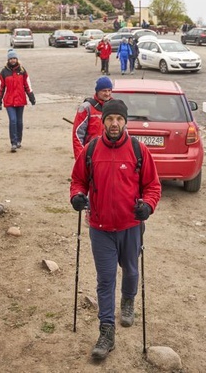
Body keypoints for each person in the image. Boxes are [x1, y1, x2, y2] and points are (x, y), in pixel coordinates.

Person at [70, 99, 161, 360]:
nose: (114, 123)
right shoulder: (91, 150)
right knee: (105, 279)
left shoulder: (138, 150)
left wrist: (148, 206)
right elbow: (78, 180)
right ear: (103, 121)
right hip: (100, 228)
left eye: (119, 119)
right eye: (110, 119)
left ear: (125, 122)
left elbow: (153, 186)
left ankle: (129, 300)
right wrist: (77, 196)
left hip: (131, 226)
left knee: (131, 271)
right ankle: (106, 331)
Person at [0, 49, 36, 152]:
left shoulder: (22, 71)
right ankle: (13, 142)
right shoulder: (4, 72)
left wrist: (31, 97)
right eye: (11, 58)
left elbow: (27, 85)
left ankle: (19, 140)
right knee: (13, 121)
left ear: (17, 59)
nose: (13, 60)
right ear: (8, 60)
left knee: (19, 122)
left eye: (14, 58)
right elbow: (0, 87)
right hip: (9, 101)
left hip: (20, 100)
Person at [71, 76, 113, 158]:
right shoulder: (86, 108)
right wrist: (81, 159)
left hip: (110, 155)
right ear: (97, 91)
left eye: (109, 90)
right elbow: (77, 135)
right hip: (92, 155)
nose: (107, 93)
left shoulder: (115, 106)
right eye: (104, 91)